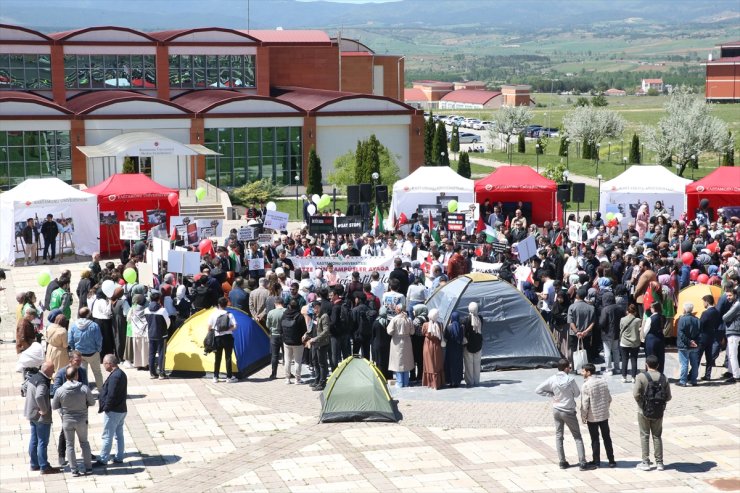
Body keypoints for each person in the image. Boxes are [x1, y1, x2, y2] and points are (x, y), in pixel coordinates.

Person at [535, 359, 595, 471]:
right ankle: (582, 462)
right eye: (570, 367)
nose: (570, 369)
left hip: (556, 410)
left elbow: (538, 390)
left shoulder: (552, 379)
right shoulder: (570, 379)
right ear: (566, 368)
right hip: (568, 411)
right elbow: (577, 393)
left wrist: (551, 394)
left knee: (559, 436)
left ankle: (562, 462)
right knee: (577, 436)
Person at [51, 365, 95, 476]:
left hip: (67, 420)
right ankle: (88, 467)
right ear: (77, 375)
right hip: (81, 420)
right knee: (84, 443)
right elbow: (92, 402)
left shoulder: (60, 390)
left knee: (70, 445)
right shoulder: (84, 388)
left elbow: (54, 406)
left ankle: (74, 469)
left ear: (65, 376)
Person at [633, 354, 672, 471]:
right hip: (659, 411)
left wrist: (641, 403)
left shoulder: (641, 376)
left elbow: (635, 394)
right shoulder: (664, 377)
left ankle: (645, 462)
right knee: (657, 436)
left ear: (646, 365)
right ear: (658, 365)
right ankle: (659, 463)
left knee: (644, 435)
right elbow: (669, 397)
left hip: (643, 411)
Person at [24, 361, 60, 474]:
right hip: (41, 417)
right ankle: (44, 466)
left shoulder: (33, 377)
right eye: (52, 369)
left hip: (32, 414)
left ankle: (34, 464)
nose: (54, 371)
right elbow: (39, 396)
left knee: (34, 439)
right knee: (42, 442)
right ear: (47, 370)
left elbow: (25, 388)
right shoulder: (43, 382)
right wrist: (44, 410)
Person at [94, 355, 128, 467]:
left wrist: (106, 408)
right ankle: (119, 457)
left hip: (114, 411)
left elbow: (111, 395)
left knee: (107, 435)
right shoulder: (120, 374)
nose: (103, 365)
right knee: (119, 435)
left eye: (104, 363)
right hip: (121, 409)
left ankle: (103, 459)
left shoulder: (115, 377)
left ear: (110, 364)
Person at [580, 363, 616, 468]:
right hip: (604, 415)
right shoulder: (603, 381)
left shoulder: (586, 385)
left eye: (583, 371)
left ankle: (596, 461)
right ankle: (611, 460)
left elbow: (585, 403)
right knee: (607, 438)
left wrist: (584, 416)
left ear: (588, 372)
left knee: (595, 439)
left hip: (593, 417)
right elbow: (609, 398)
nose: (582, 373)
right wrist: (605, 408)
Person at [68, 307, 104, 390]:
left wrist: (74, 350)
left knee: (83, 374)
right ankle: (101, 391)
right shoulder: (94, 325)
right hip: (93, 353)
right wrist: (98, 350)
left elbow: (70, 340)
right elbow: (99, 340)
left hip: (79, 354)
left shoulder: (74, 325)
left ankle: (85, 392)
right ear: (88, 315)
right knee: (97, 373)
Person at [209, 297, 238, 383]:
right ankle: (229, 377)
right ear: (226, 305)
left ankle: (215, 376)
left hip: (217, 337)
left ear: (218, 305)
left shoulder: (213, 314)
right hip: (228, 337)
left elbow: (209, 327)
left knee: (217, 358)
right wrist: (228, 329)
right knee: (228, 357)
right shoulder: (229, 314)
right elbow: (235, 326)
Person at [386, 304, 414, 388]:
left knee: (398, 362)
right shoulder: (408, 319)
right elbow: (412, 332)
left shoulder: (394, 319)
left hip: (397, 341)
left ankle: (399, 382)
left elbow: (389, 331)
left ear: (398, 309)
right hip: (407, 341)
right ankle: (406, 382)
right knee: (406, 361)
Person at [145, 292, 170, 380]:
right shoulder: (162, 310)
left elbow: (147, 321)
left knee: (151, 354)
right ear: (159, 300)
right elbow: (168, 323)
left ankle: (152, 373)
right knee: (161, 354)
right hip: (161, 334)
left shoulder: (146, 310)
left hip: (151, 333)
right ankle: (161, 373)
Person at [281, 299, 307, 384]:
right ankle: (297, 379)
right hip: (298, 342)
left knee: (287, 360)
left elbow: (281, 327)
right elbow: (304, 330)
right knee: (297, 361)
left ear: (289, 306)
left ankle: (287, 378)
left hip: (287, 341)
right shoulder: (299, 316)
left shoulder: (284, 315)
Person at [567, 288, 596, 365]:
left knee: (574, 350)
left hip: (574, 333)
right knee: (586, 350)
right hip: (587, 334)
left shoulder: (572, 307)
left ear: (577, 295)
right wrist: (585, 331)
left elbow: (570, 321)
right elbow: (593, 322)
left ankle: (574, 367)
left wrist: (577, 332)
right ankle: (587, 368)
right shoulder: (591, 307)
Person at [599, 292, 624, 376]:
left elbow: (602, 322)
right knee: (616, 350)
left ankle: (608, 369)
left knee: (607, 351)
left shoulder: (605, 309)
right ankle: (617, 368)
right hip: (617, 332)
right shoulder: (620, 308)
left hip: (606, 333)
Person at [307, 301, 330, 391]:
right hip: (314, 343)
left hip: (321, 343)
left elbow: (326, 331)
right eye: (313, 308)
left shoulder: (324, 316)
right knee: (315, 362)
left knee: (322, 363)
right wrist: (307, 334)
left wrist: (315, 339)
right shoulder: (315, 316)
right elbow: (312, 327)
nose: (315, 309)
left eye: (316, 307)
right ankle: (317, 380)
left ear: (320, 307)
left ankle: (322, 382)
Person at [698, 295, 722, 381]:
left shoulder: (706, 313)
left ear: (707, 302)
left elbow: (700, 325)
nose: (703, 304)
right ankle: (708, 375)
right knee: (709, 358)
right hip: (711, 336)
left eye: (703, 302)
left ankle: (692, 375)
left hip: (703, 337)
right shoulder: (716, 312)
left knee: (698, 356)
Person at [676, 302, 700, 387]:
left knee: (684, 363)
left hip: (684, 346)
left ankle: (683, 381)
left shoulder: (682, 319)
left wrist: (689, 342)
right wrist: (694, 342)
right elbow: (699, 332)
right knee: (694, 364)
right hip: (694, 346)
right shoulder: (697, 319)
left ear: (685, 309)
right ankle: (694, 380)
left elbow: (680, 333)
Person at [421, 308, 445, 390]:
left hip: (428, 346)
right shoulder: (440, 325)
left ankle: (431, 383)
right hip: (437, 346)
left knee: (429, 364)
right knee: (437, 364)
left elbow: (422, 332)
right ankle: (438, 383)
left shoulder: (425, 325)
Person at [619, 304, 642, 383]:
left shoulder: (622, 319)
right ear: (635, 312)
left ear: (627, 311)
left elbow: (621, 328)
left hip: (624, 342)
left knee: (624, 360)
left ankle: (624, 377)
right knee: (634, 360)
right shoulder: (638, 320)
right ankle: (633, 377)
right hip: (635, 343)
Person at [463, 302, 483, 387]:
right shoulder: (480, 318)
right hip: (478, 344)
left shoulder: (466, 320)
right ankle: (476, 380)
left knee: (469, 364)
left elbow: (465, 332)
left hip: (469, 345)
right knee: (477, 364)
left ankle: (470, 381)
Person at [722, 287, 740, 384]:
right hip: (733, 331)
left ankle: (736, 376)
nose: (728, 297)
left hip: (734, 331)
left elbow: (725, 317)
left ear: (735, 295)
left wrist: (726, 317)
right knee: (730, 354)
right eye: (727, 296)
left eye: (730, 295)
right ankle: (731, 372)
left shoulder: (737, 304)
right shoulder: (734, 303)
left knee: (733, 355)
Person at [644, 301, 666, 374]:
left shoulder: (650, 318)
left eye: (651, 307)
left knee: (651, 357)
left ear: (654, 308)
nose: (650, 309)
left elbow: (645, 331)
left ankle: (651, 374)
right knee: (660, 357)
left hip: (651, 339)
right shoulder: (662, 317)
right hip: (660, 338)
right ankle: (660, 373)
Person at [266, 298, 285, 380]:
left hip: (274, 335)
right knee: (287, 355)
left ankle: (273, 374)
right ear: (283, 303)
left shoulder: (271, 312)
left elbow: (267, 325)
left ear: (275, 303)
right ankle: (288, 373)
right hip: (285, 335)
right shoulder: (286, 311)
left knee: (274, 355)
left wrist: (272, 328)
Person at [444, 311, 464, 388]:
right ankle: (457, 380)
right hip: (458, 349)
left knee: (450, 365)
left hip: (450, 348)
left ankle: (451, 381)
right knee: (458, 364)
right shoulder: (461, 327)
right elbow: (461, 338)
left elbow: (446, 338)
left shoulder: (449, 327)